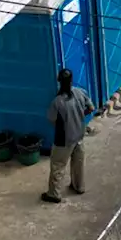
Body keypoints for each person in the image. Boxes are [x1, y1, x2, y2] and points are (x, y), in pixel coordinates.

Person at [41, 68, 94, 203]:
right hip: (79, 135)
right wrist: (81, 115)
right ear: (71, 81)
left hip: (64, 139)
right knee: (78, 163)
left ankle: (54, 194)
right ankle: (79, 186)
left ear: (59, 82)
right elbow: (91, 108)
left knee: (58, 166)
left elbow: (52, 119)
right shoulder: (80, 92)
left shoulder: (57, 102)